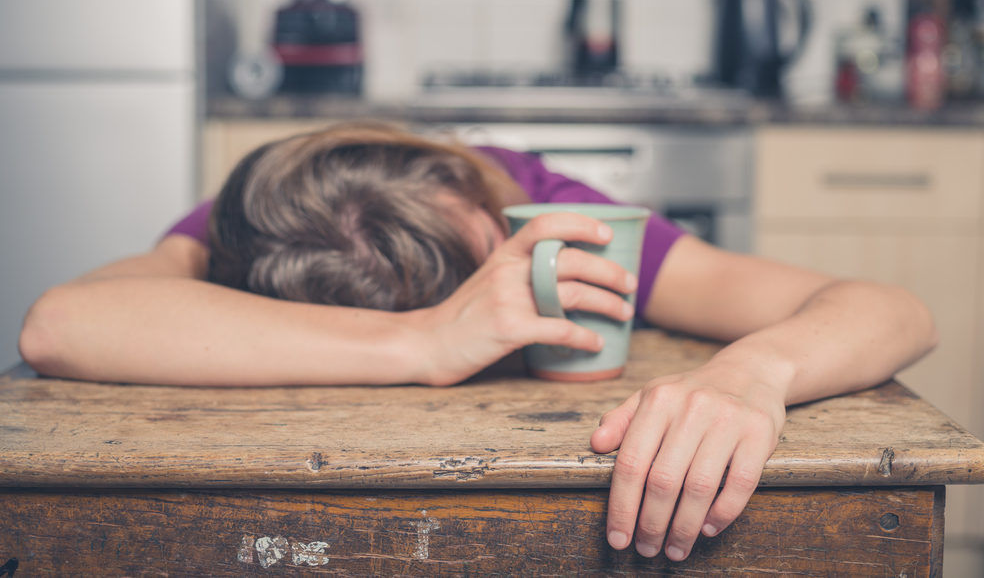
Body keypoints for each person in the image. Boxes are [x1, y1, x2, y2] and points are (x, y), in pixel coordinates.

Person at [18, 119, 937, 562]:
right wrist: (425, 343)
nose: (507, 238)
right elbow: (60, 323)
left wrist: (752, 372)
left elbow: (893, 309)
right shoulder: (273, 214)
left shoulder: (539, 206)